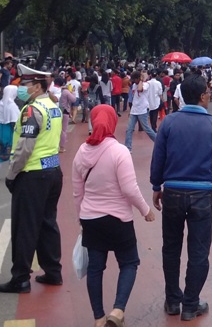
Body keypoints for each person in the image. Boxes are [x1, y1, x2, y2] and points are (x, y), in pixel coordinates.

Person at [150, 72, 212, 322]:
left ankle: (173, 300)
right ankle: (191, 303)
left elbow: (158, 158)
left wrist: (156, 186)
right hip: (201, 194)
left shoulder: (169, 123)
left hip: (172, 192)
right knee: (198, 251)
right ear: (204, 96)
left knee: (171, 248)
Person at [72, 104, 156, 327]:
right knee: (129, 262)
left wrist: (81, 219)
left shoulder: (81, 152)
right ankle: (118, 310)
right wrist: (145, 210)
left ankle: (98, 317)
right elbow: (130, 189)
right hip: (118, 220)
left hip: (91, 219)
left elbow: (77, 192)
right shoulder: (119, 152)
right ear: (111, 122)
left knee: (95, 268)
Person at [0, 65, 64, 294]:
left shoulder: (31, 110)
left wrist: (11, 173)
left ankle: (21, 278)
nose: (22, 89)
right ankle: (53, 271)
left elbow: (25, 146)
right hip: (53, 170)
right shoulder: (53, 106)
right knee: (47, 223)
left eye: (25, 85)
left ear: (36, 86)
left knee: (25, 226)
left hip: (33, 173)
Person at [0, 85, 19, 182]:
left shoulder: (1, 105)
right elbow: (15, 121)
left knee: (3, 152)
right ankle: (13, 174)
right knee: (13, 152)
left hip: (2, 132)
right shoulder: (12, 106)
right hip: (10, 133)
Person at [123, 71, 157, 152]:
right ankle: (128, 148)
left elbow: (140, 89)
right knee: (129, 129)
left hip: (142, 110)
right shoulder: (134, 84)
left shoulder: (146, 84)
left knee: (147, 129)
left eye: (135, 79)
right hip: (134, 110)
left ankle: (159, 142)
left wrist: (141, 80)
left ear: (138, 78)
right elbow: (129, 83)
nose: (133, 81)